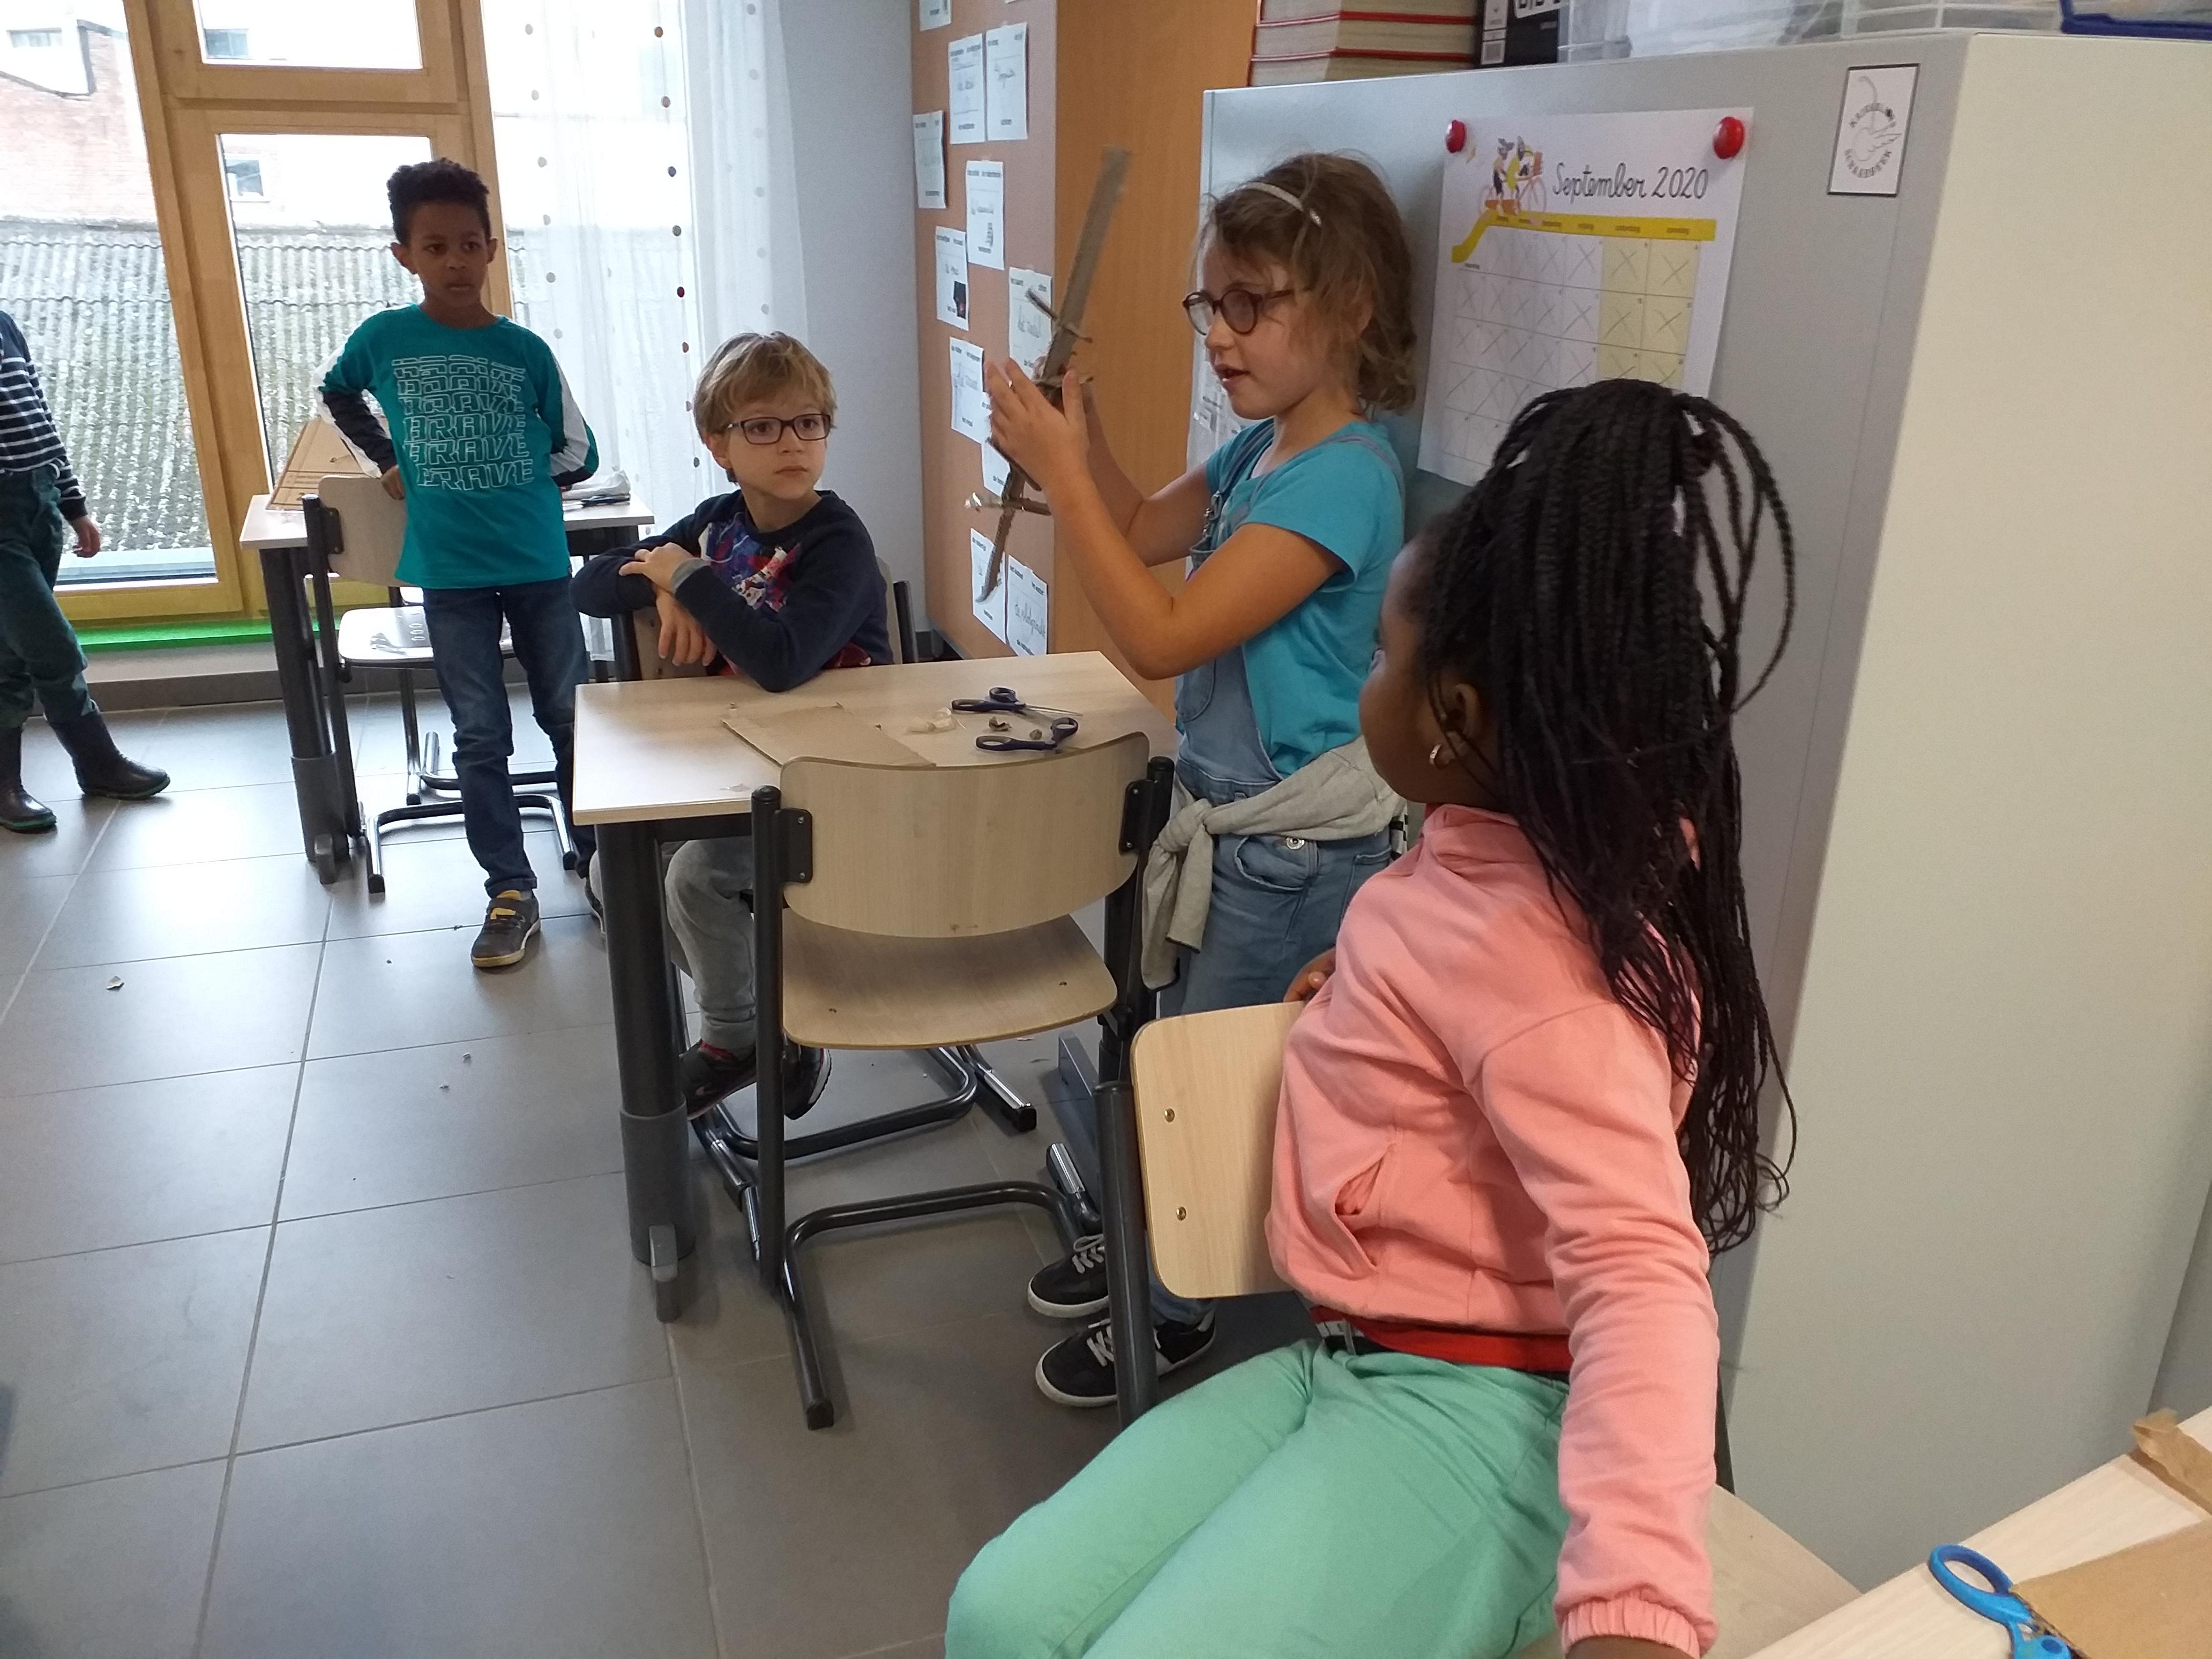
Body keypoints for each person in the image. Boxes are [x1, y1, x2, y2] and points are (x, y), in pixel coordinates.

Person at [946, 378, 1800, 1659]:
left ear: (1454, 720)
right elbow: (1454, 962)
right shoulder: (1481, 850)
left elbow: (1643, 1282)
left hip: (1487, 1413)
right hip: (1357, 1355)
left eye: (1383, 661)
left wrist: (1634, 1612)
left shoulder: (1541, 964)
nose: (1369, 683)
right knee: (1000, 1614)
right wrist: (1357, 987)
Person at [985, 153, 1415, 1406]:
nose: (1219, 335)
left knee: (1214, 1093)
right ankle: (1149, 1253)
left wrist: (1059, 474)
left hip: (1291, 857)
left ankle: (1171, 1308)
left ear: (1351, 309)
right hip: (1235, 836)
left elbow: (1163, 635)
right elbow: (1133, 530)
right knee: (1178, 1057)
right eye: (1210, 305)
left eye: (1250, 304)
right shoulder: (1262, 451)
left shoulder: (1349, 477)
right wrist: (1080, 441)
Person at [574, 331, 890, 1118]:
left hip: (838, 783)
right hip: (740, 765)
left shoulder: (838, 543)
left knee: (696, 877)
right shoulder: (721, 522)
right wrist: (665, 586)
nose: (792, 442)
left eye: (809, 423)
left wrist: (685, 575)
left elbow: (780, 660)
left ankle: (736, 1037)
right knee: (613, 875)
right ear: (719, 445)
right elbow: (591, 583)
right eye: (763, 426)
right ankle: (768, 1018)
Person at [319, 158, 600, 970]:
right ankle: (509, 889)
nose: (455, 262)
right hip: (448, 574)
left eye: (470, 245)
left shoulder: (524, 349)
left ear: (491, 250)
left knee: (572, 717)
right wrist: (388, 459)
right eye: (435, 247)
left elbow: (578, 452)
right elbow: (338, 391)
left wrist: (507, 481)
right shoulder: (383, 340)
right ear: (404, 254)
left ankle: (600, 862)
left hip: (538, 563)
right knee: (480, 735)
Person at [0, 308, 168, 833]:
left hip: (37, 501)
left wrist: (73, 505)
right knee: (50, 646)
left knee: (10, 654)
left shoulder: (4, 325)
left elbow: (40, 418)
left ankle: (15, 784)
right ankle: (97, 761)